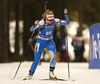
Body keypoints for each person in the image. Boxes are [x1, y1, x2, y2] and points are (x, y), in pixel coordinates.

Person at [23, 9, 70, 80]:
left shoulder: (55, 21)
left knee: (53, 56)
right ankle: (30, 74)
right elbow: (31, 30)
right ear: (46, 18)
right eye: (49, 20)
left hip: (49, 42)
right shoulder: (42, 22)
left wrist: (66, 15)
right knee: (37, 60)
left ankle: (51, 73)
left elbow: (67, 23)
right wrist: (35, 25)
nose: (51, 21)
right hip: (40, 42)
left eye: (52, 20)